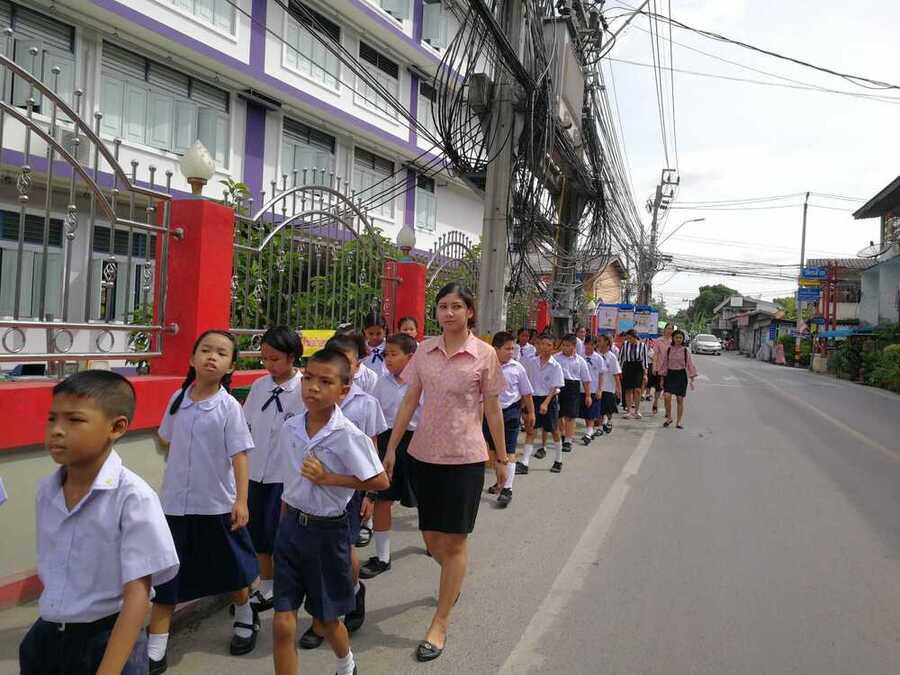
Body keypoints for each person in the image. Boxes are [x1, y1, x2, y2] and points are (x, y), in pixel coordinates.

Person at [20, 371, 179, 675]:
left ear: (116, 427)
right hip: (48, 636)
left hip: (107, 639)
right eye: (52, 419)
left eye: (74, 420)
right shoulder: (47, 491)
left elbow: (137, 596)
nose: (57, 430)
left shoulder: (133, 497)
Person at [382, 282, 508, 662]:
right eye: (442, 306)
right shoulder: (424, 350)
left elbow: (492, 410)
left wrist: (501, 459)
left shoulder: (485, 354)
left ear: (469, 311)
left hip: (465, 459)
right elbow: (410, 400)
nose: (449, 313)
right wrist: (391, 447)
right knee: (432, 539)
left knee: (453, 543)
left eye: (456, 306)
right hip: (423, 456)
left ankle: (440, 622)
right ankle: (454, 574)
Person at [271, 348, 388, 675]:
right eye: (308, 378)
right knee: (282, 622)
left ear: (343, 390)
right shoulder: (291, 427)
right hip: (291, 529)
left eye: (325, 382)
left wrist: (329, 478)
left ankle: (346, 664)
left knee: (326, 619)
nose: (313, 387)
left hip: (327, 533)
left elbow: (380, 480)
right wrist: (283, 522)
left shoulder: (347, 435)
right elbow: (289, 482)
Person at [149, 331, 258, 674]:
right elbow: (165, 438)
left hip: (216, 504)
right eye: (206, 350)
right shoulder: (177, 398)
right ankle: (157, 643)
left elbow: (239, 455)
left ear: (231, 366)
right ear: (192, 358)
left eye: (221, 353)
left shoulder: (229, 407)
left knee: (231, 569)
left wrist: (241, 500)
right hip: (174, 504)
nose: (212, 356)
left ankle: (245, 614)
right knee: (167, 573)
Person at [298, 334, 387, 649]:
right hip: (307, 493)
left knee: (342, 556)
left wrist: (369, 497)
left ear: (356, 366)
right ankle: (322, 616)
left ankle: (350, 594)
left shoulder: (366, 403)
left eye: (346, 362)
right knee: (315, 559)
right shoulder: (308, 398)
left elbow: (372, 456)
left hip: (346, 493)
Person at [242, 326, 304, 613]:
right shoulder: (259, 386)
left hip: (285, 475)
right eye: (264, 358)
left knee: (282, 534)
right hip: (256, 472)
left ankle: (289, 584)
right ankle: (267, 586)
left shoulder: (304, 389)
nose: (269, 364)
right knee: (259, 534)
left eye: (275, 359)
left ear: (291, 356)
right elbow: (245, 425)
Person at [361, 333, 420, 578]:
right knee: (383, 498)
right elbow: (373, 417)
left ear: (411, 357)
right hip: (387, 442)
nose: (388, 359)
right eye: (386, 354)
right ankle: (383, 557)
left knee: (424, 495)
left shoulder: (421, 384)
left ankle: (433, 539)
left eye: (394, 354)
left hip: (415, 442)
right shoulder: (380, 383)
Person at [484, 331, 535, 506]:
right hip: (489, 413)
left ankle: (507, 489)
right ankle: (500, 481)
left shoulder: (517, 368)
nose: (511, 352)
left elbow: (526, 393)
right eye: (507, 349)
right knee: (494, 452)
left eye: (513, 348)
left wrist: (531, 413)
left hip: (511, 412)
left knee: (509, 451)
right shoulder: (486, 367)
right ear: (495, 349)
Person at [518, 332, 565, 474]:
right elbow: (527, 382)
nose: (544, 347)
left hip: (549, 399)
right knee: (531, 431)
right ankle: (524, 462)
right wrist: (524, 402)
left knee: (554, 430)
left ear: (553, 348)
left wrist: (546, 403)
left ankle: (558, 460)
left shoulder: (556, 366)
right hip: (534, 399)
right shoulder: (532, 362)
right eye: (542, 344)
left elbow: (554, 387)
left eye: (548, 345)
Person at [554, 333, 592, 453]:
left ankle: (568, 441)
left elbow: (586, 380)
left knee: (570, 416)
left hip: (573, 387)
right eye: (564, 345)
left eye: (568, 345)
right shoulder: (556, 358)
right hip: (559, 386)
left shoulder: (580, 361)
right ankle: (563, 434)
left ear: (574, 346)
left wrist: (588, 395)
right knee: (558, 414)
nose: (565, 348)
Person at [656, 329, 698, 429]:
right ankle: (669, 417)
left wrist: (692, 377)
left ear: (683, 339)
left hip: (681, 376)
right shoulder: (669, 350)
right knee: (667, 396)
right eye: (676, 337)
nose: (678, 339)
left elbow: (689, 364)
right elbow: (664, 364)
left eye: (680, 337)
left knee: (680, 399)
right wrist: (662, 378)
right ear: (673, 338)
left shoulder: (685, 351)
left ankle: (678, 422)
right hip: (670, 375)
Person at [580, 336, 608, 443]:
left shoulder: (598, 358)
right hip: (582, 389)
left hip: (593, 389)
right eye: (587, 344)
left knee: (592, 412)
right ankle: (589, 431)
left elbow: (601, 375)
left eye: (591, 344)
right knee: (586, 412)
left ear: (595, 345)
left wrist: (600, 389)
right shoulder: (580, 357)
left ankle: (589, 432)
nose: (588, 347)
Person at [619, 329, 649, 419]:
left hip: (638, 367)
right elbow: (620, 358)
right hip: (627, 366)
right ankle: (629, 411)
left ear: (635, 337)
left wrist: (645, 374)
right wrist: (619, 370)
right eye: (627, 338)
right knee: (628, 389)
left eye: (630, 338)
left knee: (637, 389)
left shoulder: (642, 345)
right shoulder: (625, 344)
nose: (629, 340)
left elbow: (645, 360)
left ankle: (637, 410)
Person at [596, 334, 622, 435]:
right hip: (597, 387)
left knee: (608, 409)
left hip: (609, 387)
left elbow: (616, 374)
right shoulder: (596, 355)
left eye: (600, 340)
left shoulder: (612, 357)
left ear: (607, 342)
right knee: (599, 408)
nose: (598, 343)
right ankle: (599, 427)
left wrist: (618, 389)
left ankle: (607, 421)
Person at [652, 323, 674, 415]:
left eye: (671, 329)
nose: (669, 331)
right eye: (668, 328)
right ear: (664, 329)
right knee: (658, 388)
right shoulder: (658, 341)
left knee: (668, 390)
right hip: (660, 368)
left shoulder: (673, 341)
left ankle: (667, 409)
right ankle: (655, 402)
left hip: (670, 369)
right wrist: (654, 367)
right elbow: (656, 355)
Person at [360, 312, 388, 378]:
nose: (374, 337)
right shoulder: (361, 348)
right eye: (371, 333)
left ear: (384, 330)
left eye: (378, 333)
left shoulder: (389, 346)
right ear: (364, 331)